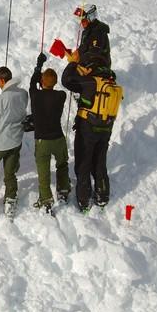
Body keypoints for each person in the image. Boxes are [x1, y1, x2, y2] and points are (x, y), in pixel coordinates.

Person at [60, 55, 118, 213]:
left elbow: (66, 81)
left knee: (83, 163)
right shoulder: (112, 83)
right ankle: (103, 196)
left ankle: (84, 200)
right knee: (100, 162)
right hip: (106, 128)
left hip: (88, 128)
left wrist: (72, 63)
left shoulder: (91, 82)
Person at [0, 66, 29, 218]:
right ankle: (10, 202)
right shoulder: (23, 94)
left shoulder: (1, 98)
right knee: (10, 173)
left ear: (2, 80)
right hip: (16, 140)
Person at [29, 53, 71, 213]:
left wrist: (38, 67)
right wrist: (43, 78)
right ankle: (64, 190)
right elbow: (39, 83)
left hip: (42, 141)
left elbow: (32, 82)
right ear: (55, 82)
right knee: (62, 165)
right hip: (58, 138)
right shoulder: (61, 95)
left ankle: (46, 200)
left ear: (41, 82)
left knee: (43, 171)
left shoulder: (35, 95)